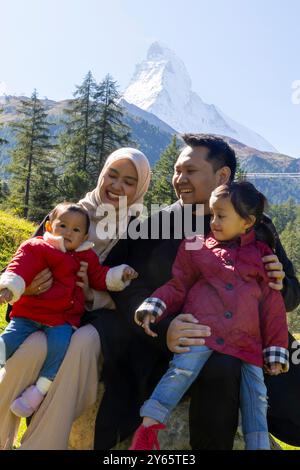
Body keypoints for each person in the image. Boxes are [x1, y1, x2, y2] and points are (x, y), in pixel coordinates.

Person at [93, 134, 300, 450]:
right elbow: (127, 285)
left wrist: (279, 281)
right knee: (221, 365)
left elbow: (290, 297)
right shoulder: (157, 224)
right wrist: (165, 328)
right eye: (176, 170)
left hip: (254, 339)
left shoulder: (255, 224)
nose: (178, 179)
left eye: (189, 171)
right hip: (183, 348)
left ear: (222, 176)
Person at [0, 147, 150, 450]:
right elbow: (24, 259)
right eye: (112, 175)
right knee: (29, 351)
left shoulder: (142, 230)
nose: (117, 186)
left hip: (103, 321)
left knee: (80, 345)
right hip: (46, 314)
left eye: (129, 181)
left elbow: (134, 291)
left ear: (141, 187)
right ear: (102, 174)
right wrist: (26, 289)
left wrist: (90, 294)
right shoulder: (69, 214)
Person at [129, 182, 289, 450]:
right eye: (212, 213)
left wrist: (275, 348)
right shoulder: (195, 246)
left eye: (221, 215)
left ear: (247, 221)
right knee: (179, 371)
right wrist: (154, 305)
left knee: (257, 396)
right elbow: (177, 285)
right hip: (202, 331)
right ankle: (147, 432)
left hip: (247, 343)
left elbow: (273, 306)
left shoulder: (263, 257)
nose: (213, 221)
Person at [0, 202, 137, 418]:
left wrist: (119, 275)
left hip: (61, 321)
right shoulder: (37, 247)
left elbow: (99, 277)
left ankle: (36, 394)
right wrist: (8, 288)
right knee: (7, 341)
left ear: (84, 238)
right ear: (48, 227)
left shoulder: (86, 257)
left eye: (76, 230)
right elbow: (20, 267)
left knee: (59, 350)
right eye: (62, 226)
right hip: (29, 314)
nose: (67, 233)